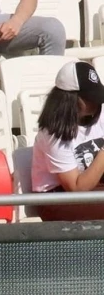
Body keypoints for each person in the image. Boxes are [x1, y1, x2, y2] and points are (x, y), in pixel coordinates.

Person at [31, 60, 104, 221]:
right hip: (57, 199)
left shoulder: (99, 115)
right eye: (89, 98)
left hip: (93, 188)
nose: (97, 102)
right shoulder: (53, 133)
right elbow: (76, 189)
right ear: (70, 99)